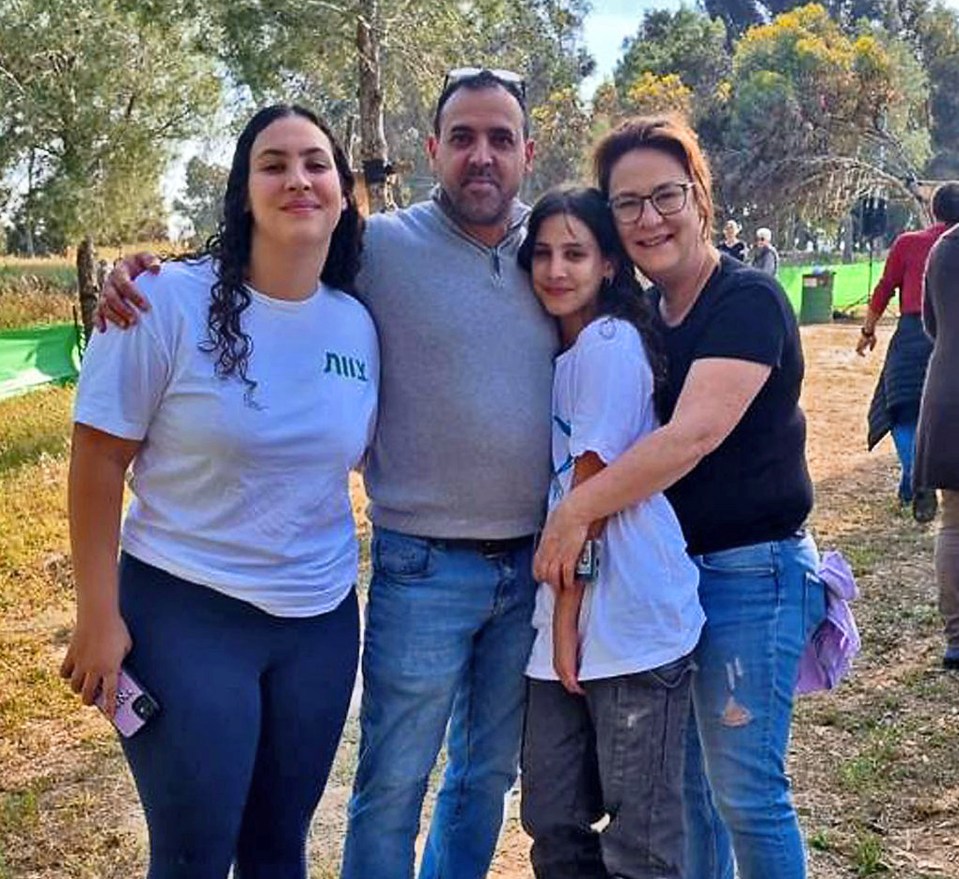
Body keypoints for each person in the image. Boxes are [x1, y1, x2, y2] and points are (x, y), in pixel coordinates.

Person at [96, 69, 556, 879]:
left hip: (428, 586)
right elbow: (102, 454)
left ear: (528, 149)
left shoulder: (556, 248)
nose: (480, 156)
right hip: (351, 575)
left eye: (499, 138)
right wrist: (136, 273)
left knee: (454, 786)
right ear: (430, 150)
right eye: (460, 138)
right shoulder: (370, 251)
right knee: (357, 792)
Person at [60, 104, 377, 879]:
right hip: (184, 611)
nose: (297, 179)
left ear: (342, 193)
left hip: (319, 623)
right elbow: (96, 460)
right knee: (194, 854)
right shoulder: (160, 300)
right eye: (273, 164)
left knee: (278, 850)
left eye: (315, 164)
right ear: (242, 192)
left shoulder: (357, 323)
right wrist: (98, 615)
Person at [532, 115, 826, 879]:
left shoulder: (745, 300)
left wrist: (574, 511)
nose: (647, 218)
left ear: (698, 195)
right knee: (688, 795)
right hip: (678, 577)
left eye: (664, 195)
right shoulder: (645, 319)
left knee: (745, 794)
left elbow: (691, 435)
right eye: (625, 204)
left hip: (751, 575)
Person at [516, 185, 704, 878]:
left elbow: (587, 498)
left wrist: (566, 621)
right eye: (541, 253)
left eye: (575, 252)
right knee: (551, 816)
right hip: (566, 614)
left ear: (608, 266)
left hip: (625, 616)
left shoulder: (606, 342)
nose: (556, 269)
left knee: (640, 836)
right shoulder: (561, 354)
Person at [860, 184, 959, 522]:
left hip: (913, 334)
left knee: (900, 407)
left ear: (934, 211)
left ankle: (916, 475)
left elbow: (884, 288)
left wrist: (867, 331)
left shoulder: (909, 243)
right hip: (951, 338)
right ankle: (919, 481)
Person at [914, 210, 959, 669]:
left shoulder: (944, 247)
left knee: (954, 521)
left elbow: (931, 323)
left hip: (949, 389)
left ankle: (956, 636)